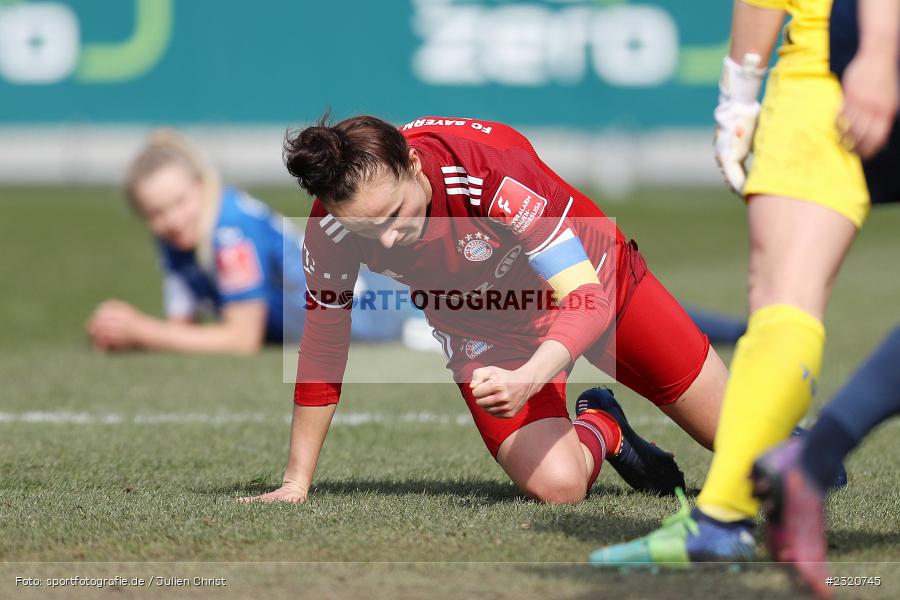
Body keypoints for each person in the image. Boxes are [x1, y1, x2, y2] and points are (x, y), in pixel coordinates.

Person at [241, 114, 732, 506]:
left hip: (597, 280)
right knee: (559, 488)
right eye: (368, 229)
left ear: (413, 165)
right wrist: (295, 482)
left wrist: (532, 375)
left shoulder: (489, 171)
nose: (388, 238)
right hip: (485, 328)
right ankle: (604, 426)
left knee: (747, 446)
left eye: (394, 214)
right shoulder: (332, 230)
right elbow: (324, 347)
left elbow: (585, 297)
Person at [590, 0, 880, 568]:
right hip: (865, 50)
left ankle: (722, 518)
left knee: (783, 300)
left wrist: (738, 96)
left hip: (836, 55)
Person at [752, 0, 899, 595]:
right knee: (787, 288)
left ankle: (806, 466)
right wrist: (881, 52)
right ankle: (807, 465)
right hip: (877, 40)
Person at [86, 130, 410, 354]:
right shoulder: (177, 237)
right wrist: (123, 332)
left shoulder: (230, 229)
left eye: (179, 202)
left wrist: (141, 331)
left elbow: (242, 339)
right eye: (156, 213)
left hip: (379, 314)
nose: (172, 219)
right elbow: (183, 327)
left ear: (201, 185)